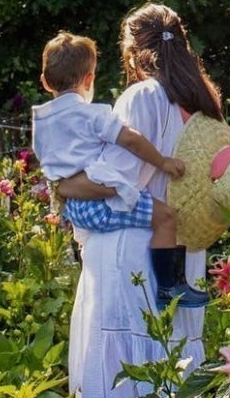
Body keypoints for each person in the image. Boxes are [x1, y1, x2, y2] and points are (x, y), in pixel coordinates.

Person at [56, 2, 225, 398]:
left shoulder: (143, 97)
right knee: (171, 369)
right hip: (178, 252)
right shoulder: (202, 103)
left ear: (132, 52)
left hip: (130, 253)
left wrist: (65, 185)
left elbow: (116, 178)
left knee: (126, 374)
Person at [32, 32, 208, 308]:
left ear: (44, 81)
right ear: (89, 79)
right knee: (165, 217)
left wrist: (63, 185)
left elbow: (49, 162)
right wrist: (162, 162)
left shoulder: (40, 120)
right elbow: (130, 140)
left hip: (72, 205)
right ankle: (169, 286)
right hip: (97, 202)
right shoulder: (92, 115)